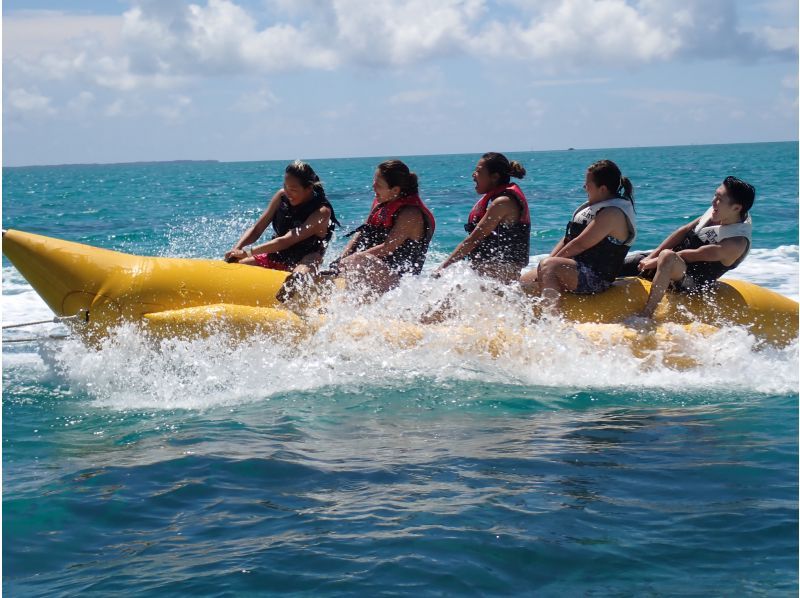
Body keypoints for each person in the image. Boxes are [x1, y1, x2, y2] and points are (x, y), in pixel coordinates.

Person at [623, 176, 755, 318]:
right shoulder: (718, 213)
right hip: (669, 263)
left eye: (719, 199)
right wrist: (650, 257)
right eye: (715, 195)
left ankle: (646, 315)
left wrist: (654, 262)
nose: (713, 201)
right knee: (624, 264)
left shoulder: (735, 243)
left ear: (736, 208)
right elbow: (683, 231)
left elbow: (690, 255)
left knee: (667, 256)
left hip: (691, 283)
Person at [520, 159, 636, 298]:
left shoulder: (612, 213)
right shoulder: (594, 208)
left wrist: (548, 266)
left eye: (587, 184)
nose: (584, 187)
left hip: (597, 278)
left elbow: (580, 244)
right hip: (575, 269)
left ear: (603, 189)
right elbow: (568, 239)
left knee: (550, 266)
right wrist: (542, 268)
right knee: (524, 281)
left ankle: (551, 315)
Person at [224, 160, 339, 297]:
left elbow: (286, 241)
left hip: (304, 260)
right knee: (233, 269)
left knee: (304, 268)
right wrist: (236, 250)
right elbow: (256, 229)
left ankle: (292, 295)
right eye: (285, 187)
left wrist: (248, 253)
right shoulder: (281, 196)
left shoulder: (322, 211)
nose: (288, 193)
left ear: (308, 188)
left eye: (293, 190)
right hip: (278, 255)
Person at [332, 160, 435, 295]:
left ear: (395, 190)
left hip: (401, 284)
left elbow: (387, 248)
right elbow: (363, 232)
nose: (373, 186)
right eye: (374, 181)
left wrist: (353, 259)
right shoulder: (379, 203)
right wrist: (342, 259)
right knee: (335, 270)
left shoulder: (411, 214)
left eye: (378, 184)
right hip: (377, 272)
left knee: (360, 260)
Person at [434, 152, 530, 283]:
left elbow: (474, 239)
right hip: (486, 277)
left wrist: (441, 269)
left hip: (499, 280)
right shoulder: (497, 200)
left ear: (494, 177)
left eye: (478, 171)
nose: (473, 175)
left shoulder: (503, 202)